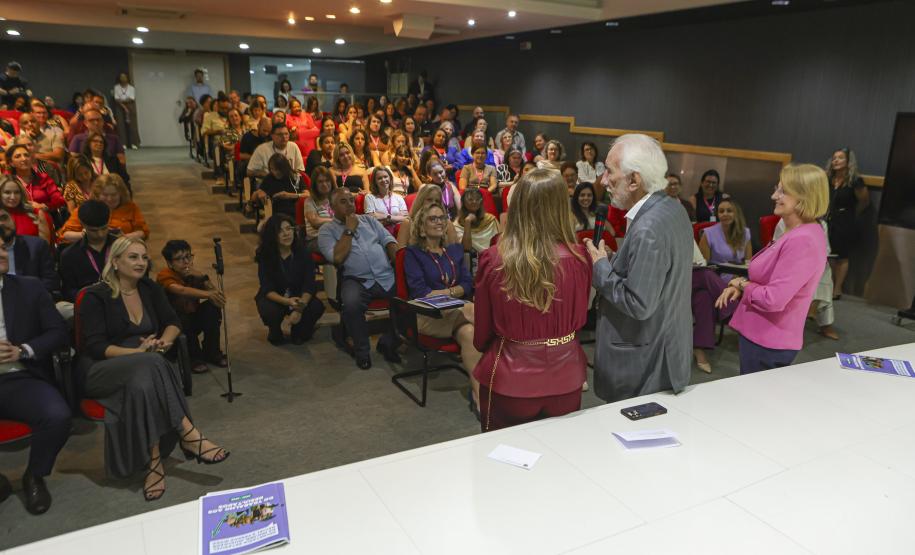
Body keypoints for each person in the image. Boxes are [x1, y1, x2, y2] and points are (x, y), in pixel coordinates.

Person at [78, 237, 230, 501]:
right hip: (103, 368)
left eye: (144, 257)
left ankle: (154, 463)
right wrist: (139, 353)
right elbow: (96, 347)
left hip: (147, 365)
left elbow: (172, 322)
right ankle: (188, 433)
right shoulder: (95, 296)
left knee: (144, 379)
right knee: (151, 364)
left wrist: (164, 342)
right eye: (133, 257)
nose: (141, 262)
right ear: (115, 262)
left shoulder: (149, 288)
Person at [473, 169, 592, 431]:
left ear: (518, 205)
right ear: (562, 206)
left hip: (510, 377)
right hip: (566, 376)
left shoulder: (494, 258)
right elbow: (580, 318)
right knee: (559, 458)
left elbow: (482, 333)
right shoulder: (581, 257)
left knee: (502, 459)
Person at [585, 134, 693, 403]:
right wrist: (614, 262)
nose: (603, 181)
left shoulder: (648, 227)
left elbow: (639, 302)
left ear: (634, 180)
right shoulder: (671, 209)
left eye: (610, 173)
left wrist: (600, 268)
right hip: (666, 347)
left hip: (645, 363)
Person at [716, 164, 829, 374]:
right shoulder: (797, 232)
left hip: (768, 339)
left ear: (804, 196)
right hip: (763, 335)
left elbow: (774, 299)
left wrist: (741, 283)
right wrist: (743, 288)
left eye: (783, 191)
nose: (774, 196)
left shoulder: (803, 239)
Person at [0, 243, 70, 515]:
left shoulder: (29, 287)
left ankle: (34, 475)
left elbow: (57, 332)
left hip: (20, 377)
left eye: (3, 248)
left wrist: (23, 350)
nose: (2, 254)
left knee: (57, 416)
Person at [403, 201, 481, 408]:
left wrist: (445, 293)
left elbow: (467, 283)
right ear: (421, 226)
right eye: (433, 218)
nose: (439, 222)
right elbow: (421, 293)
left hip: (458, 314)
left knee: (470, 334)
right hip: (428, 316)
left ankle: (480, 395)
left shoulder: (454, 250)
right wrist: (454, 293)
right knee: (476, 312)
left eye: (442, 218)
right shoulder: (412, 254)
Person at [318, 188, 401, 369]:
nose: (350, 204)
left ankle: (388, 343)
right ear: (332, 208)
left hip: (385, 275)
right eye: (343, 201)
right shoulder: (326, 230)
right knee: (351, 303)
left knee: (408, 298)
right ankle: (362, 351)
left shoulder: (369, 221)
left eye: (351, 200)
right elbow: (337, 258)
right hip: (356, 280)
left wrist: (400, 266)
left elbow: (389, 241)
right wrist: (348, 230)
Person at [692, 198, 752, 373]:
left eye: (729, 211)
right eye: (721, 211)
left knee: (703, 298)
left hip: (734, 281)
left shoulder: (745, 233)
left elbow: (749, 263)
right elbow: (703, 264)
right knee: (706, 275)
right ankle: (735, 311)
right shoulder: (708, 233)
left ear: (736, 213)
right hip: (712, 277)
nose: (725, 214)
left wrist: (736, 279)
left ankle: (699, 349)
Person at [156, 240, 226, 373]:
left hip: (192, 316)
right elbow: (180, 290)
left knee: (212, 308)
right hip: (173, 324)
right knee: (182, 318)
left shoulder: (194, 275)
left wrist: (204, 278)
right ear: (170, 263)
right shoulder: (164, 275)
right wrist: (208, 294)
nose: (186, 262)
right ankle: (194, 358)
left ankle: (212, 352)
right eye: (179, 259)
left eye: (188, 256)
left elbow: (218, 298)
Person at [773, 218, 839, 340]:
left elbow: (826, 248)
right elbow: (776, 245)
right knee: (812, 273)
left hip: (813, 261)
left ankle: (821, 320)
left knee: (824, 271)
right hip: (790, 262)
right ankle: (812, 312)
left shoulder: (821, 224)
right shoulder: (784, 221)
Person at [824, 148, 868, 299]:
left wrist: (850, 214)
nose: (835, 160)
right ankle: (828, 285)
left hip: (846, 222)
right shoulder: (828, 177)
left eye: (840, 158)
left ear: (848, 162)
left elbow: (863, 202)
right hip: (828, 220)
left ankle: (837, 289)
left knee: (842, 256)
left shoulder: (855, 180)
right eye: (834, 157)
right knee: (828, 254)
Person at [59, 174, 148, 243]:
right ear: (97, 194)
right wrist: (86, 235)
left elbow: (142, 232)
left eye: (114, 195)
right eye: (105, 195)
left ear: (121, 194)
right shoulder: (86, 208)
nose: (109, 199)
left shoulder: (130, 207)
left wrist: (123, 238)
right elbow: (65, 234)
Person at [58, 200, 118, 302]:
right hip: (88, 304)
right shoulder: (70, 255)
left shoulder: (121, 247)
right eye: (94, 230)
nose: (100, 234)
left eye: (104, 228)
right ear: (83, 225)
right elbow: (69, 290)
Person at [0, 207, 58, 293]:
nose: (1, 224)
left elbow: (51, 282)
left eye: (4, 218)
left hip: (33, 300)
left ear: (12, 218)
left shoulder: (37, 246)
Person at [5, 143, 65, 213]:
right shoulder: (8, 182)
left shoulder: (43, 178)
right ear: (11, 163)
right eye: (18, 156)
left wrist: (44, 206)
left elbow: (60, 200)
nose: (24, 159)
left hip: (44, 217)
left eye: (26, 155)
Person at [257, 153, 309, 219]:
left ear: (284, 168)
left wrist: (288, 195)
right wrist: (261, 193)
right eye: (272, 169)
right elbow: (261, 191)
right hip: (275, 213)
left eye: (277, 169)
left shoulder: (295, 176)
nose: (274, 172)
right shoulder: (270, 177)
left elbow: (307, 194)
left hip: (295, 212)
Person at [0, 176, 50, 242]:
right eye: (7, 192)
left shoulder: (36, 214)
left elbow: (44, 247)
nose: (13, 197)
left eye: (17, 192)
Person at [454, 187, 500, 254]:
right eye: (470, 199)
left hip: (490, 258)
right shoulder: (458, 223)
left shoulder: (490, 220)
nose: (474, 202)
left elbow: (499, 243)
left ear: (481, 202)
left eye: (477, 199)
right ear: (463, 202)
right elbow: (466, 248)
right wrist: (468, 222)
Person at [365, 166, 408, 235]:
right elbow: (371, 218)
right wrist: (396, 218)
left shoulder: (399, 197)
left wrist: (386, 217)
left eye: (385, 177)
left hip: (400, 233)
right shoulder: (369, 197)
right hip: (379, 233)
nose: (383, 180)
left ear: (390, 178)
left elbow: (405, 218)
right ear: (375, 181)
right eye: (379, 178)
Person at [303, 166, 335, 251]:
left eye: (327, 181)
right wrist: (336, 220)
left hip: (335, 235)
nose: (324, 184)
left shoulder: (335, 198)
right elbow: (315, 221)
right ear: (315, 184)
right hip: (316, 239)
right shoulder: (309, 201)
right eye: (320, 182)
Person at [111, 72, 140, 150]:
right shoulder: (116, 87)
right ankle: (123, 143)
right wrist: (124, 106)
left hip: (130, 105)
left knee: (132, 125)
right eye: (121, 77)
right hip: (119, 106)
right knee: (121, 125)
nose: (123, 78)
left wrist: (125, 104)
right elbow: (116, 98)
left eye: (124, 77)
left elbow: (131, 98)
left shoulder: (131, 88)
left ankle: (134, 143)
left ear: (127, 78)